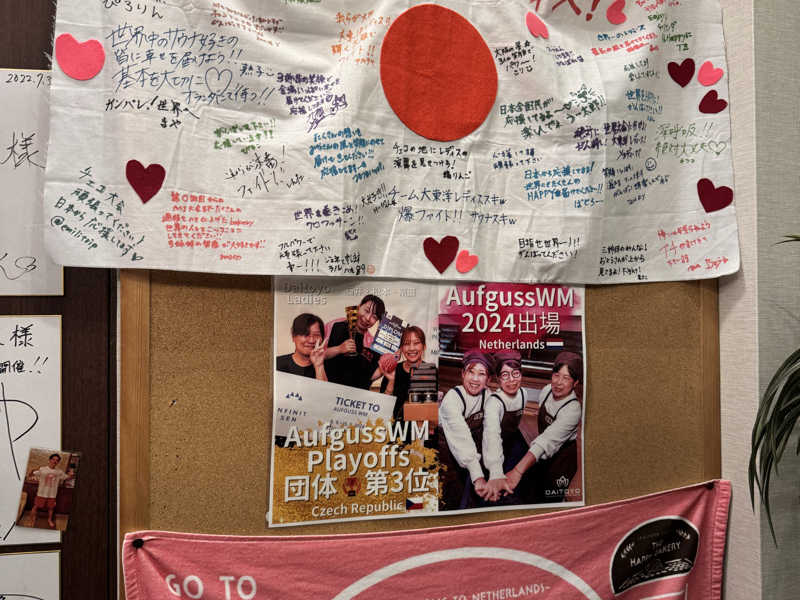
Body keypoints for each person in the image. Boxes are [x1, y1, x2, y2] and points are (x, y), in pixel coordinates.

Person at [504, 351, 583, 503]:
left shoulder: (573, 409)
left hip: (562, 460)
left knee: (549, 498)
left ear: (575, 383)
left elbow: (547, 440)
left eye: (566, 378)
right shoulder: (546, 391)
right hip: (542, 454)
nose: (558, 382)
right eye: (556, 375)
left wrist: (517, 471)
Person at [437, 349, 493, 510]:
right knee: (446, 497)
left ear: (488, 379)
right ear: (462, 374)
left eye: (481, 374)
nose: (475, 379)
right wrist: (478, 477)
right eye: (471, 372)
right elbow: (461, 437)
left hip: (467, 456)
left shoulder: (488, 397)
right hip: (445, 454)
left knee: (465, 496)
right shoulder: (452, 398)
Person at [482, 350, 531, 503]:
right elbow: (492, 436)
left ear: (521, 374)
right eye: (505, 375)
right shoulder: (494, 403)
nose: (511, 380)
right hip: (494, 447)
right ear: (497, 378)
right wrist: (496, 471)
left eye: (515, 373)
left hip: (512, 441)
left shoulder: (523, 393)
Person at [324, 294, 386, 390]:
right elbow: (317, 355)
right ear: (359, 306)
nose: (368, 318)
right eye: (366, 310)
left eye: (374, 317)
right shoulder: (336, 326)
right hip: (329, 390)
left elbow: (369, 377)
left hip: (355, 396)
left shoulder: (372, 344)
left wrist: (386, 365)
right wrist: (339, 349)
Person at [380, 325, 427, 421]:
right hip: (394, 428)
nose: (411, 348)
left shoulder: (431, 372)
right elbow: (381, 410)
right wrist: (391, 382)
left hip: (421, 428)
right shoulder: (393, 370)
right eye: (406, 344)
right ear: (401, 348)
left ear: (424, 346)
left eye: (416, 343)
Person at [275, 313, 328, 381]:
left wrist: (319, 366)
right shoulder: (277, 364)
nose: (311, 340)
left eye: (316, 335)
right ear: (293, 336)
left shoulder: (331, 366)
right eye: (305, 334)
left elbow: (324, 388)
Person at [26, 453, 73, 528]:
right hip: (41, 493)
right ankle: (31, 519)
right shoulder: (42, 469)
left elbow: (67, 477)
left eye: (57, 460)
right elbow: (32, 474)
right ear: (50, 460)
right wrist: (33, 470)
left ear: (58, 462)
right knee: (35, 506)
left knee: (51, 508)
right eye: (53, 459)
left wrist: (71, 474)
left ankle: (49, 520)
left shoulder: (59, 472)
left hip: (52, 494)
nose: (55, 461)